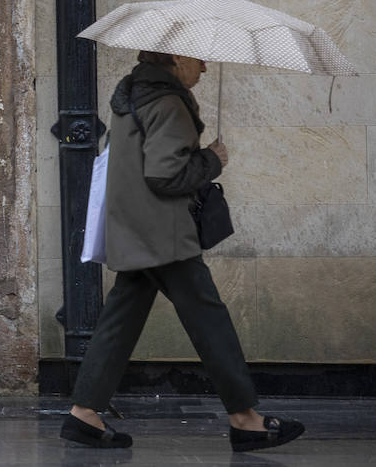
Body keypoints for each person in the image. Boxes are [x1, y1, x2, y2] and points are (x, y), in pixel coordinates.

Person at [61, 51, 305, 453]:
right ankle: (246, 420)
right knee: (210, 320)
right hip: (165, 236)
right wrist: (212, 159)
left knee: (119, 321)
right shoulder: (168, 102)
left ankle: (84, 414)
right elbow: (164, 173)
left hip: (136, 231)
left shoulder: (132, 96)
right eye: (199, 61)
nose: (206, 67)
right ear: (176, 58)